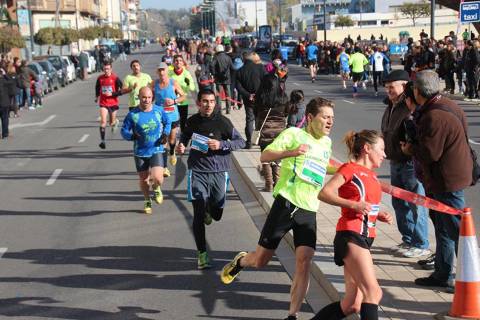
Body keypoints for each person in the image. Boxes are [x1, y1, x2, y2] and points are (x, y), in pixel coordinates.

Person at [221, 97, 336, 320]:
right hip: (285, 204)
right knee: (261, 260)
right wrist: (290, 153)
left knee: (304, 261)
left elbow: (323, 166)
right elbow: (265, 156)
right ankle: (242, 260)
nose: (330, 122)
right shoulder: (293, 135)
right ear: (311, 118)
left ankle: (292, 314)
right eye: (325, 117)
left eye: (332, 118)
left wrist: (345, 170)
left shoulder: (326, 143)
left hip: (308, 208)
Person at [400, 70, 473, 291]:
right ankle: (442, 274)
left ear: (417, 91)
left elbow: (430, 153)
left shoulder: (434, 115)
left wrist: (409, 148)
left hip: (447, 180)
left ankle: (470, 278)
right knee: (443, 229)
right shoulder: (447, 104)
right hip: (449, 176)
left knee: (457, 231)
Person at [310, 130, 392, 320]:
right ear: (367, 149)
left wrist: (377, 214)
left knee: (351, 305)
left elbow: (362, 203)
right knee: (374, 293)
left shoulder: (371, 176)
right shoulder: (349, 169)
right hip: (351, 234)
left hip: (363, 236)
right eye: (382, 149)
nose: (385, 154)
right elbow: (325, 193)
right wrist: (353, 205)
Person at [175, 88, 245, 269]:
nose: (208, 105)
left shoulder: (223, 122)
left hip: (219, 173)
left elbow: (241, 142)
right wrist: (181, 146)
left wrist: (221, 144)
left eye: (212, 101)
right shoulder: (192, 122)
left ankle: (209, 209)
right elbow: (184, 137)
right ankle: (202, 254)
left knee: (217, 214)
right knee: (198, 212)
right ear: (199, 103)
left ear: (216, 103)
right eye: (205, 101)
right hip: (197, 171)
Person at [381, 70, 431, 258]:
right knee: (399, 202)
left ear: (403, 86)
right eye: (387, 87)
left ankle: (421, 243)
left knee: (416, 202)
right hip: (395, 160)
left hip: (410, 162)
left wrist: (408, 148)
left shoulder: (410, 105)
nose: (389, 91)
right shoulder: (391, 105)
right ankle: (408, 239)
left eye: (392, 87)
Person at [121, 87, 171, 214]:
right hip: (140, 152)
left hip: (156, 149)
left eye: (149, 97)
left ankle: (156, 188)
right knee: (144, 180)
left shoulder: (158, 111)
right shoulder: (133, 114)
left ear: (152, 98)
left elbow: (168, 122)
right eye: (144, 97)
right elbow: (124, 130)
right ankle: (147, 199)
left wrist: (165, 134)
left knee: (158, 178)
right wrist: (131, 136)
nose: (146, 100)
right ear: (139, 97)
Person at [153, 62, 186, 177]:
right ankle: (165, 168)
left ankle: (172, 152)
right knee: (163, 141)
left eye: (163, 70)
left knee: (172, 140)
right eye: (160, 70)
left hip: (173, 116)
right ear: (157, 72)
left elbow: (183, 96)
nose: (162, 72)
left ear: (167, 71)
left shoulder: (173, 83)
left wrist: (174, 101)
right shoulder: (154, 84)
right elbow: (148, 96)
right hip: (160, 117)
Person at [235, 51, 265, 149]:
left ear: (244, 60)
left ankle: (249, 142)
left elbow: (238, 87)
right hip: (260, 98)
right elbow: (266, 82)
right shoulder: (260, 68)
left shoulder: (240, 71)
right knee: (259, 119)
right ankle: (259, 140)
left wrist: (248, 95)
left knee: (249, 119)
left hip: (248, 99)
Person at [95, 62, 123, 149]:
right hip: (103, 103)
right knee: (103, 121)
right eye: (105, 69)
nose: (106, 71)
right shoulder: (100, 78)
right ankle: (102, 141)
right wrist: (97, 97)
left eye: (108, 69)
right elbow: (97, 88)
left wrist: (113, 93)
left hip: (113, 103)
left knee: (111, 123)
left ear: (111, 69)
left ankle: (115, 122)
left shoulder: (115, 78)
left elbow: (122, 90)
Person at [168, 55, 196, 132]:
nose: (178, 62)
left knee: (183, 122)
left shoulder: (186, 73)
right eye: (176, 60)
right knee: (172, 122)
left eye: (180, 60)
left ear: (183, 63)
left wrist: (188, 83)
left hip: (183, 101)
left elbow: (192, 88)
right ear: (173, 63)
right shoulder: (169, 73)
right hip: (172, 102)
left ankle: (182, 139)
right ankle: (172, 140)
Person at [211, 44, 233, 114]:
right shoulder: (228, 57)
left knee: (218, 95)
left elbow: (211, 65)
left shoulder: (216, 57)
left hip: (218, 79)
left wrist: (214, 73)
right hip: (227, 78)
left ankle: (219, 110)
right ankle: (228, 109)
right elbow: (232, 67)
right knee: (228, 94)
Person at [0, 68, 16, 139]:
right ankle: (5, 134)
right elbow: (12, 81)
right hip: (4, 103)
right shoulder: (4, 81)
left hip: (4, 102)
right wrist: (5, 74)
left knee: (5, 118)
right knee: (5, 119)